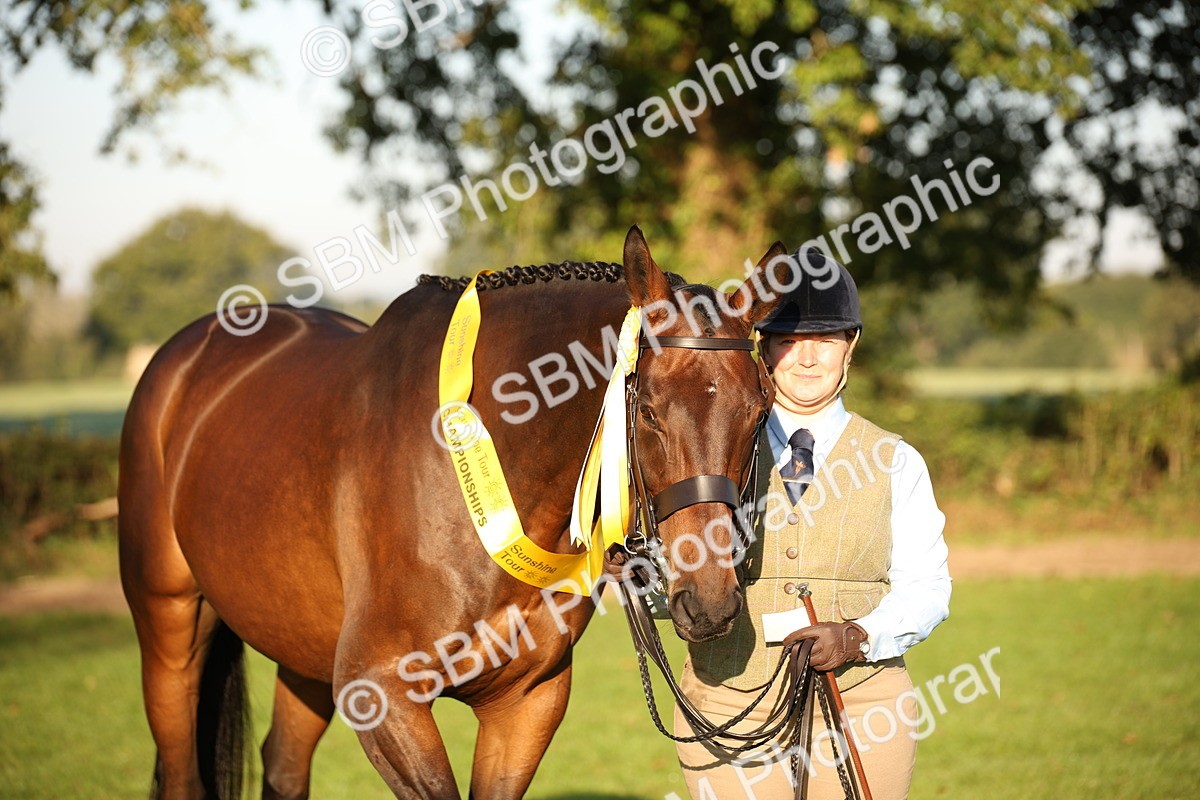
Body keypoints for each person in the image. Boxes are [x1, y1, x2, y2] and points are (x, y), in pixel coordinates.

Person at [674, 247, 952, 800]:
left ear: (850, 348)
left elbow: (930, 588)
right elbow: (678, 590)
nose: (806, 359)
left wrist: (858, 636)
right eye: (788, 342)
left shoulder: (897, 460)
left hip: (864, 704)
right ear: (763, 350)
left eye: (824, 341)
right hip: (730, 703)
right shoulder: (706, 456)